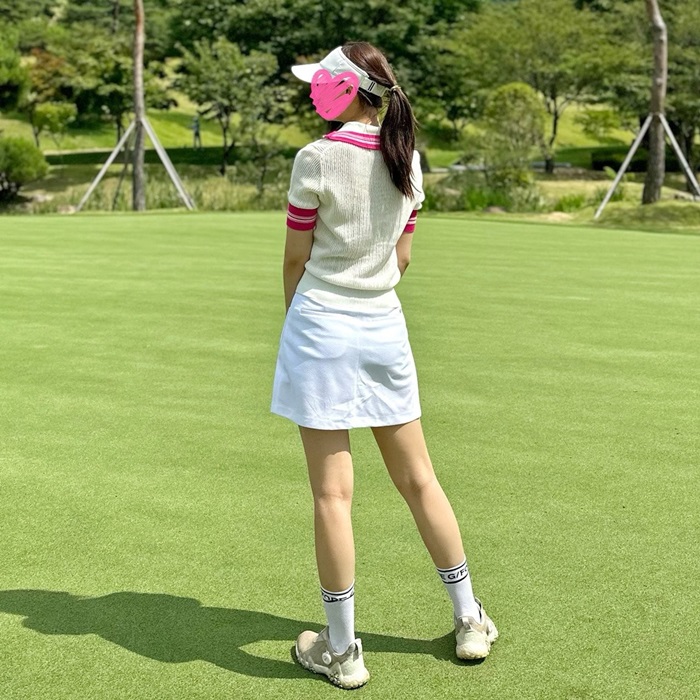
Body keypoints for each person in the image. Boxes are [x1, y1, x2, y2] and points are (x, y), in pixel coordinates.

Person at [271, 42, 498, 689]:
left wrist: (296, 321)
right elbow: (402, 259)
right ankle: (470, 618)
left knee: (331, 495)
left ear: (345, 90)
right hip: (383, 329)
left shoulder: (315, 158)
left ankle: (343, 651)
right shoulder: (407, 157)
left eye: (321, 82)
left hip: (322, 328)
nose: (313, 91)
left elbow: (295, 259)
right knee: (419, 479)